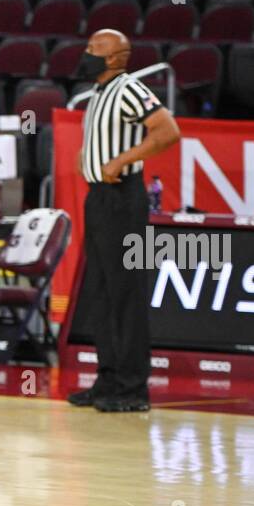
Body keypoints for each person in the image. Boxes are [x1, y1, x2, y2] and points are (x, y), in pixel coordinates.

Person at [70, 28, 180, 413]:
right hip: (99, 198)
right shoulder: (98, 93)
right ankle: (108, 380)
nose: (86, 54)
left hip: (122, 198)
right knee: (100, 292)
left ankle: (134, 387)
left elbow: (168, 130)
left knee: (125, 293)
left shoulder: (129, 88)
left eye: (94, 49)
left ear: (117, 58)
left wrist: (120, 160)